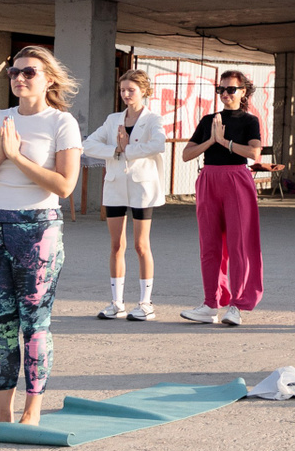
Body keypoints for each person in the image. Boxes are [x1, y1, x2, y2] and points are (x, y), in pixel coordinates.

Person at [0, 45, 82, 426]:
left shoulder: (61, 123)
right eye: (14, 72)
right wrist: (0, 156)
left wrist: (18, 158)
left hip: (38, 228)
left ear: (49, 80)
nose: (19, 78)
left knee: (35, 322)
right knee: (2, 322)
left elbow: (65, 185)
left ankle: (32, 410)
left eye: (29, 72)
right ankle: (1, 412)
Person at [81, 68, 168, 320]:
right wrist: (115, 151)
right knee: (116, 244)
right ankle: (116, 303)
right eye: (122, 90)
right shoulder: (113, 120)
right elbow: (88, 145)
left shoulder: (153, 119)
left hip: (142, 188)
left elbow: (158, 144)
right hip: (115, 186)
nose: (126, 94)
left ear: (144, 91)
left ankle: (145, 303)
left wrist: (127, 150)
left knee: (141, 245)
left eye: (131, 90)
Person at [180, 70, 265, 326]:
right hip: (209, 179)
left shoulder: (250, 120)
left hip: (237, 179)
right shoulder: (209, 120)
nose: (225, 94)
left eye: (231, 89)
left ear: (243, 92)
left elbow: (254, 153)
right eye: (221, 89)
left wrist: (225, 142)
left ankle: (236, 305)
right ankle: (210, 304)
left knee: (239, 245)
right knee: (209, 245)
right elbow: (186, 154)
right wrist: (211, 140)